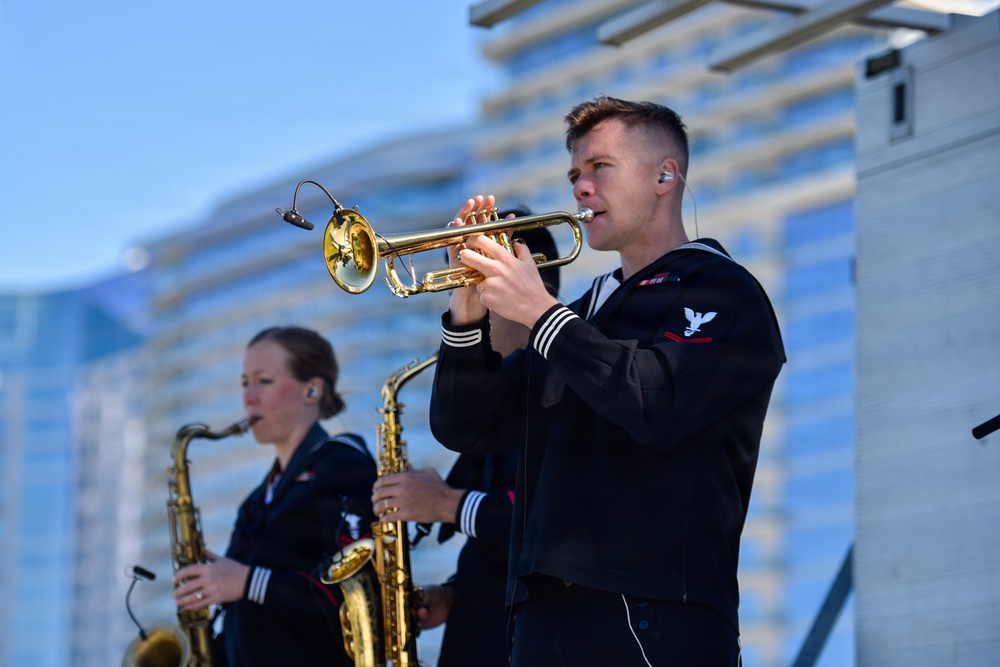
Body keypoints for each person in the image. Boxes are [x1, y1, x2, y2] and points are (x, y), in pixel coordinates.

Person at [427, 96, 785, 666]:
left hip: (653, 612)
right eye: (574, 174)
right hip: (541, 617)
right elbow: (466, 426)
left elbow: (656, 402)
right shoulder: (583, 313)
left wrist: (541, 314)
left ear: (665, 176)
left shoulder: (721, 288)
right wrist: (465, 313)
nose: (581, 188)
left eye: (600, 167)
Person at [371, 220, 560, 667]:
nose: (462, 301)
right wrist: (456, 591)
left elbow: (558, 517)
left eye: (469, 281)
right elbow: (500, 545)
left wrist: (447, 504)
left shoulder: (560, 379)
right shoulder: (494, 385)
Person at [172, 325, 377, 667]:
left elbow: (358, 601)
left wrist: (249, 581)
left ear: (312, 390)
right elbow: (250, 625)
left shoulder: (342, 465)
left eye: (263, 380)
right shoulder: (256, 501)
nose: (248, 398)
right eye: (244, 383)